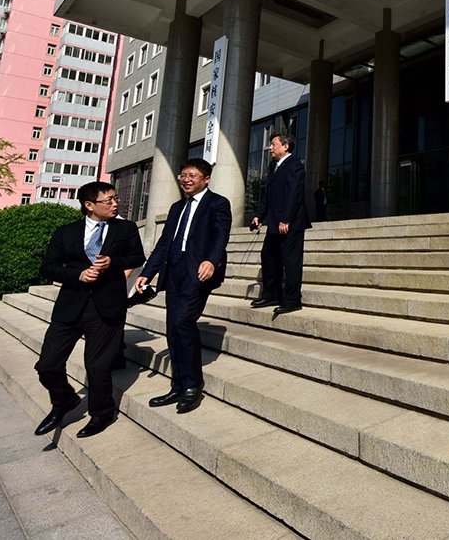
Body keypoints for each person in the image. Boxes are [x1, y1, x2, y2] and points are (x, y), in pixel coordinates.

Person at [34, 182, 145, 438]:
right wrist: (78, 275)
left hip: (107, 307)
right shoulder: (66, 232)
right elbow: (48, 267)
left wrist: (113, 262)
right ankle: (64, 400)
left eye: (116, 199)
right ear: (89, 205)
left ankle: (102, 413)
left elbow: (137, 257)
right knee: (47, 364)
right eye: (108, 200)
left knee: (97, 366)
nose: (115, 204)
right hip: (71, 306)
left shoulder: (126, 228)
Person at [135, 158, 231, 414]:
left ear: (206, 179)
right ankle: (177, 385)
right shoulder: (177, 207)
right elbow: (164, 242)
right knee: (173, 328)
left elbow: (221, 235)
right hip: (174, 270)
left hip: (198, 271)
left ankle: (192, 386)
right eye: (183, 175)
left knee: (183, 322)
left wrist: (211, 260)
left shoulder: (218, 203)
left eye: (192, 175)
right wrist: (147, 273)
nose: (186, 180)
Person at [250, 133, 309, 314]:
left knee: (291, 261)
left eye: (274, 144)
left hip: (290, 223)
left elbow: (294, 194)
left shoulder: (295, 166)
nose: (270, 148)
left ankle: (292, 300)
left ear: (286, 146)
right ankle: (271, 294)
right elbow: (269, 195)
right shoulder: (273, 167)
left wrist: (286, 219)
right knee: (268, 257)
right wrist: (259, 216)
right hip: (275, 223)